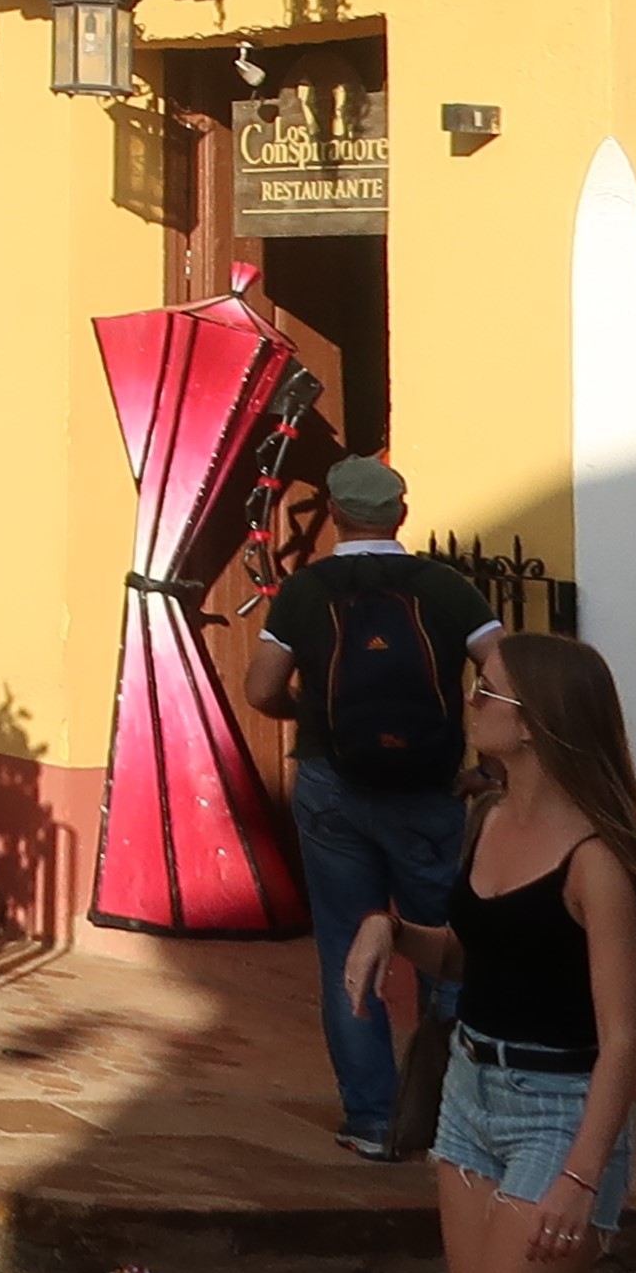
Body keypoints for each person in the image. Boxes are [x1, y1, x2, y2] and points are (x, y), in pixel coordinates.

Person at [342, 633, 636, 1273]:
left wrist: (582, 1177)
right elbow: (471, 957)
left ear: (535, 723)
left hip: (557, 1109)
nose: (470, 701)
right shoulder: (487, 818)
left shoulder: (595, 864)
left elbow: (623, 1041)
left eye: (486, 690)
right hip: (467, 1088)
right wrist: (389, 929)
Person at [247, 453, 508, 1157]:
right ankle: (449, 1114)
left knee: (344, 946)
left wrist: (314, 713)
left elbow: (260, 689)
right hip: (428, 790)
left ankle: (371, 1119)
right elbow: (507, 672)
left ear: (333, 512)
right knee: (446, 950)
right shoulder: (446, 589)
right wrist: (485, 761)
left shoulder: (306, 590)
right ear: (400, 512)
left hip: (333, 785)